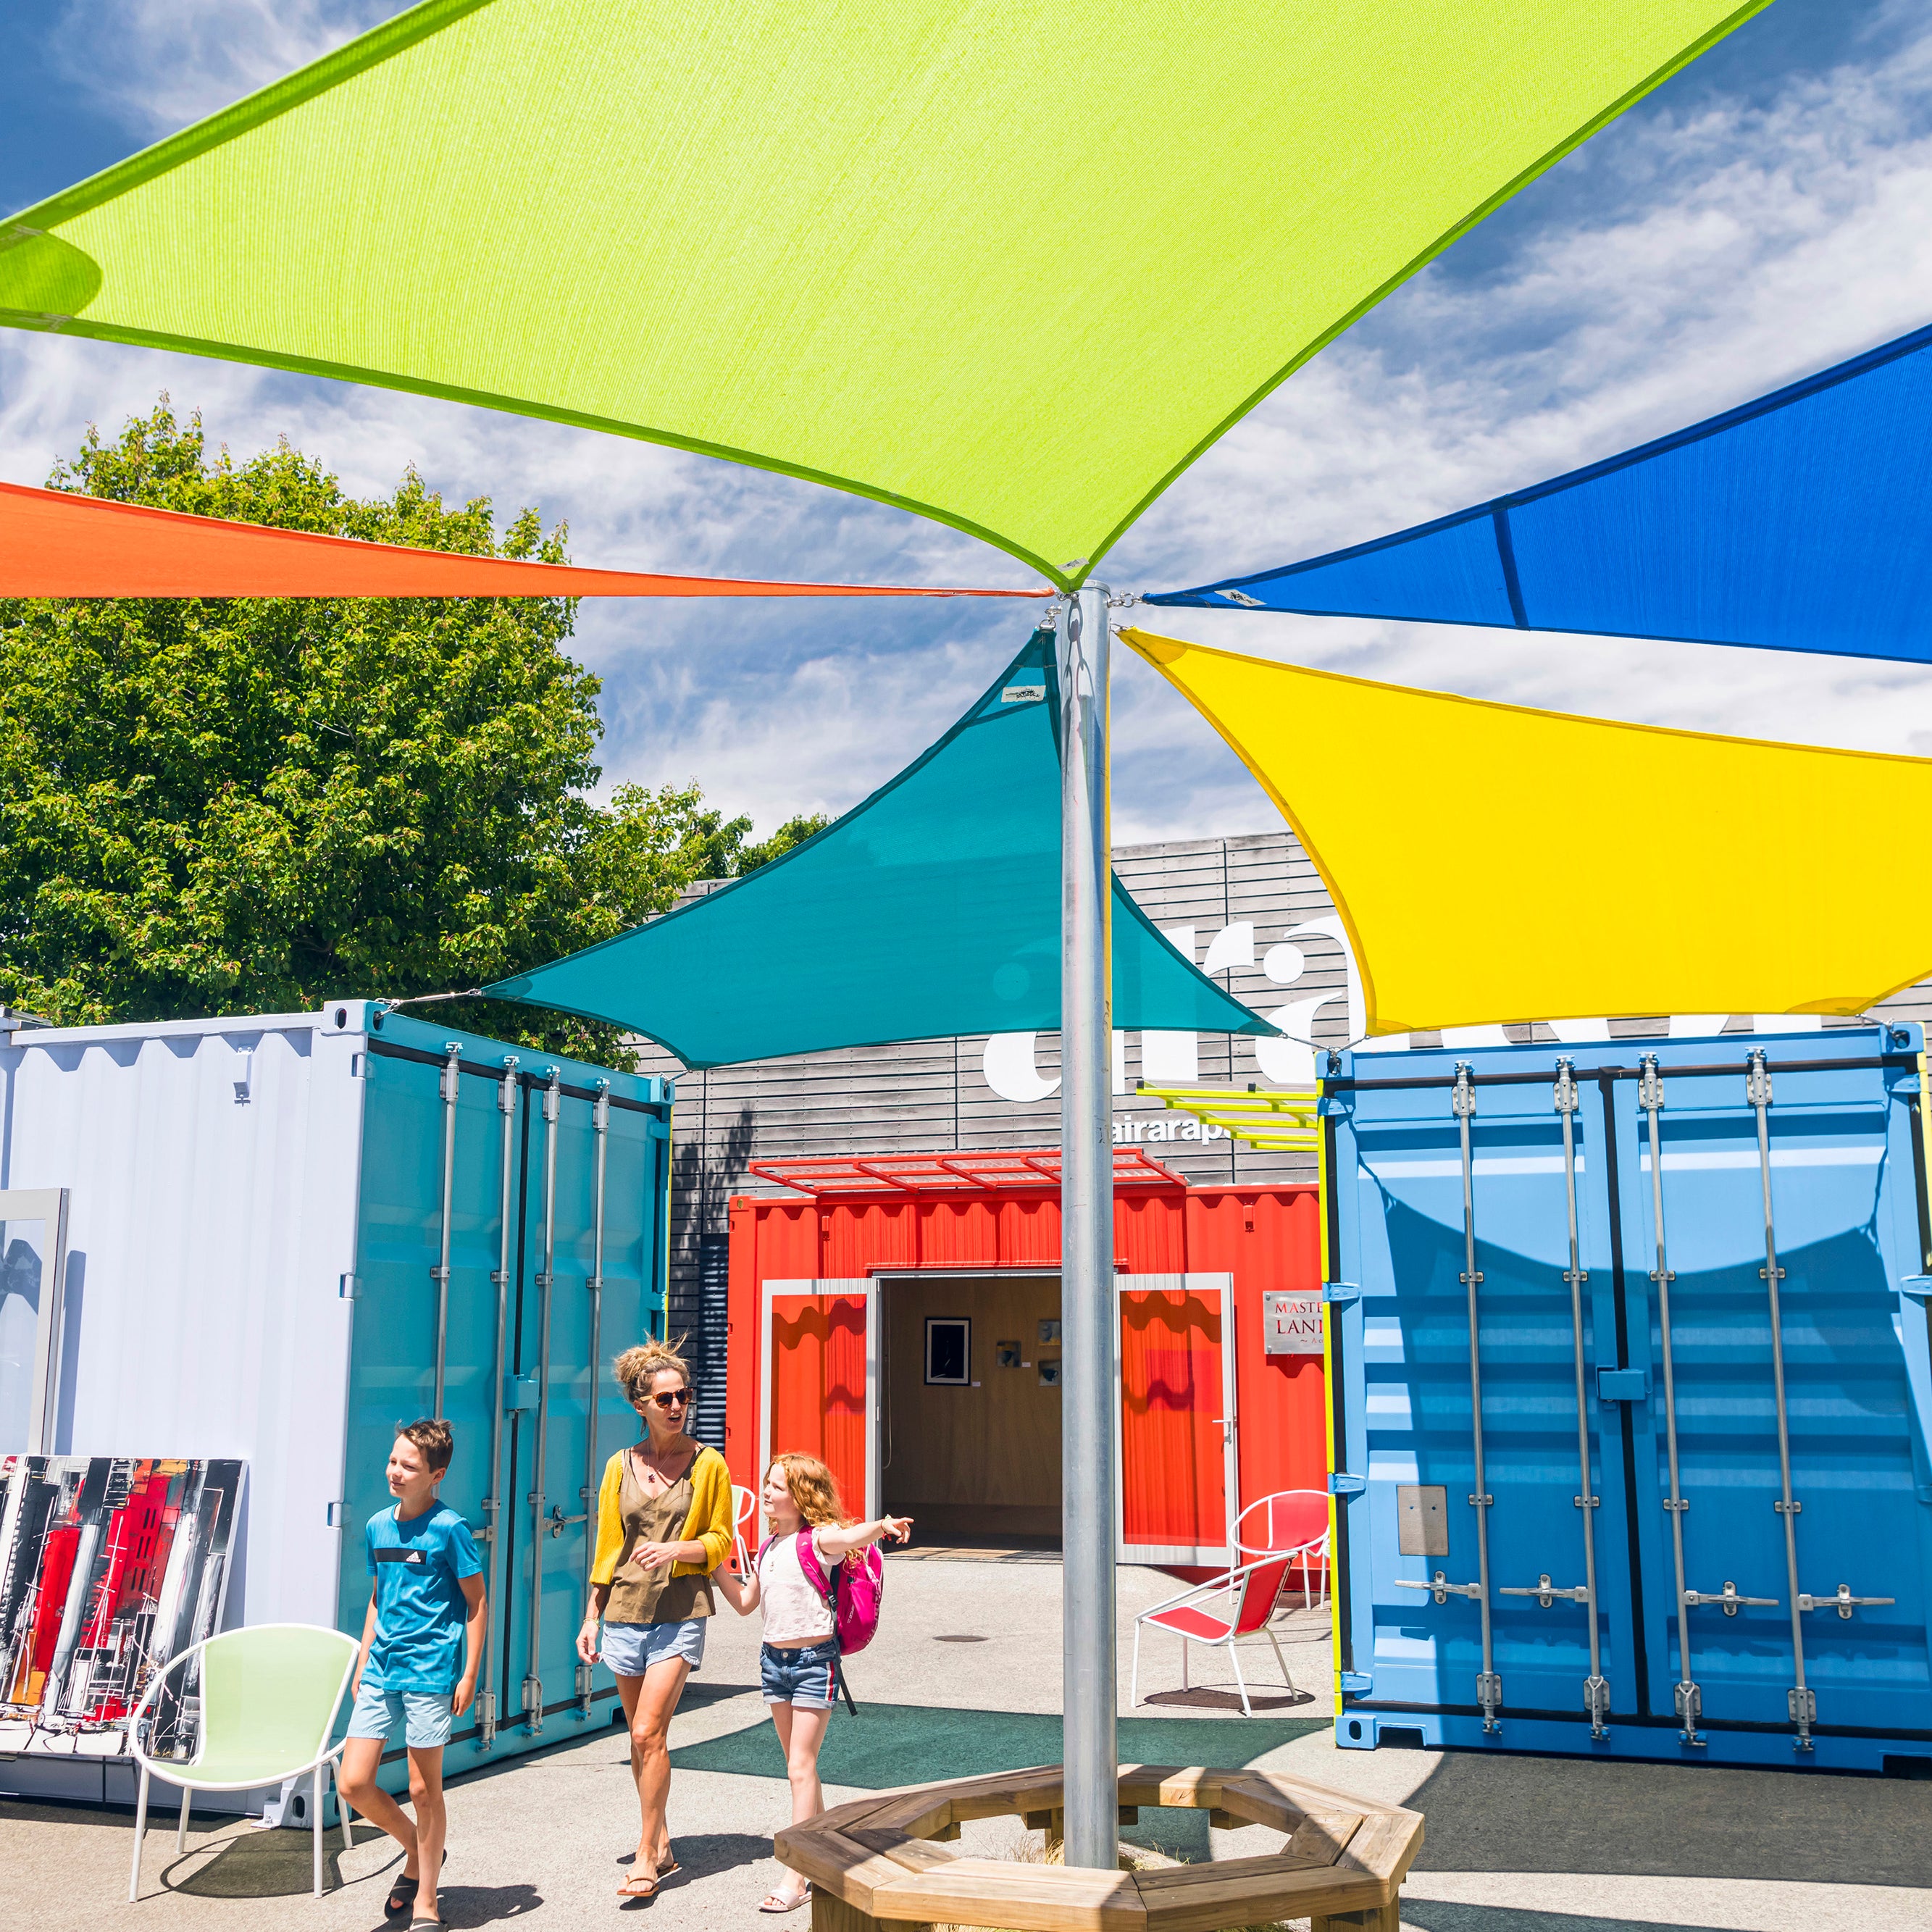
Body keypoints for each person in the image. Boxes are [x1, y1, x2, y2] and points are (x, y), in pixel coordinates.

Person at [716, 1455, 911, 1915]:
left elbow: (848, 1535)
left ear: (801, 1495)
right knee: (798, 1767)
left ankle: (796, 1874)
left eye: (776, 1486)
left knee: (800, 1767)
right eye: (766, 1483)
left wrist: (882, 1525)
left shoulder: (817, 1541)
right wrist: (713, 1566)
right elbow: (746, 1604)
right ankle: (822, 1851)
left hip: (812, 1663)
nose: (765, 1492)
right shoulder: (766, 1547)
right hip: (772, 1662)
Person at [576, 1337, 735, 1901]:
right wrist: (591, 1615)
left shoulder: (708, 1462)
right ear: (639, 1403)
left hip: (679, 1610)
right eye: (664, 1397)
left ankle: (645, 1856)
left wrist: (676, 1550)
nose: (676, 1406)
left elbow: (721, 1540)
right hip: (623, 1611)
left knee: (648, 1730)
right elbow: (607, 1546)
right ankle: (661, 1838)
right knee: (642, 1742)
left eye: (683, 1395)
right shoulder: (620, 1465)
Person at [338, 1418, 486, 1931]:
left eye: (409, 1465)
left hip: (430, 1673)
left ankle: (426, 1896)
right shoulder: (379, 1525)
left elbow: (477, 1601)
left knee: (425, 1789)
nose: (395, 1471)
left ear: (436, 1474)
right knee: (354, 1782)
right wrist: (362, 1658)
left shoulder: (451, 1528)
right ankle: (420, 1848)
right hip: (381, 1669)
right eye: (393, 1460)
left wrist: (468, 1673)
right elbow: (380, 1597)